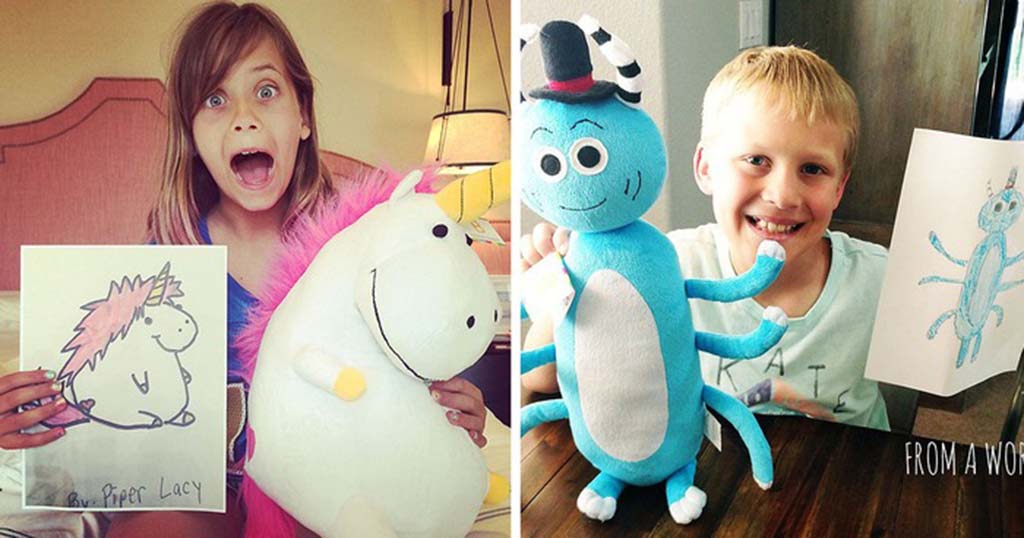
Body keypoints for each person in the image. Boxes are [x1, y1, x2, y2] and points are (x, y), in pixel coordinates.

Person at [0, 3, 489, 536]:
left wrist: (452, 407)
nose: (244, 116)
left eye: (266, 91)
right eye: (214, 98)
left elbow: (411, 365)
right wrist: (37, 411)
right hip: (207, 486)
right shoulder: (165, 265)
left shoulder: (359, 247)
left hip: (330, 473)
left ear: (302, 115)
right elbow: (111, 399)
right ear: (191, 132)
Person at [521, 45, 890, 431]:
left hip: (851, 480)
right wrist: (561, 294)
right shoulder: (667, 265)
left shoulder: (881, 278)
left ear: (839, 187)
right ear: (706, 168)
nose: (782, 195)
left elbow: (943, 382)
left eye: (812, 168)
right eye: (756, 161)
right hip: (709, 475)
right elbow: (543, 381)